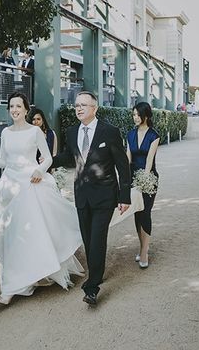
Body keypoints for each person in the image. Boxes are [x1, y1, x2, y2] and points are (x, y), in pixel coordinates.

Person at [0, 92, 83, 305]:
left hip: (30, 184)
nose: (14, 110)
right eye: (11, 106)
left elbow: (48, 157)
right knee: (10, 234)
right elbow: (3, 161)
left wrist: (41, 170)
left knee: (31, 233)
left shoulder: (34, 132)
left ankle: (22, 281)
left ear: (25, 109)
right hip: (10, 186)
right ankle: (11, 284)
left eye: (18, 106)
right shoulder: (5, 132)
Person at [51, 91, 131, 306]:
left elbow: (123, 166)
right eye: (77, 105)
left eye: (84, 105)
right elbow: (69, 157)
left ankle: (92, 287)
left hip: (105, 196)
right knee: (88, 240)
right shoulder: (71, 131)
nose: (79, 108)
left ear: (94, 108)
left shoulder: (110, 132)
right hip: (82, 196)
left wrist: (125, 196)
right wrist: (48, 161)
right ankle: (98, 270)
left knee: (97, 239)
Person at [126, 102, 160, 270]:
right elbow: (128, 159)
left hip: (148, 178)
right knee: (137, 214)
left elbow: (149, 161)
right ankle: (142, 246)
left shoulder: (154, 135)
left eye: (138, 115)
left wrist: (144, 180)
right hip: (133, 178)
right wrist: (125, 178)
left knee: (145, 212)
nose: (135, 118)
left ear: (146, 116)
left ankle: (145, 252)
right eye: (133, 115)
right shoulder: (130, 134)